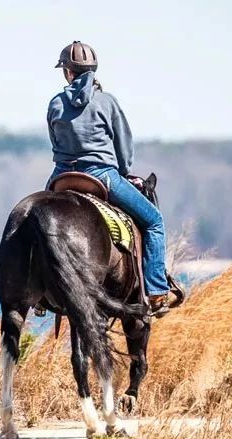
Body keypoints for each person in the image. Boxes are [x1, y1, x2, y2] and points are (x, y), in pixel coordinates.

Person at [46, 41, 171, 316]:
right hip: (101, 176)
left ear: (67, 72)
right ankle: (157, 291)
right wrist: (124, 172)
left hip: (62, 177)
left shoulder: (55, 103)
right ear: (92, 70)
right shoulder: (107, 102)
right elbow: (124, 150)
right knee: (154, 222)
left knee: (39, 221)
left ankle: (41, 292)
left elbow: (55, 142)